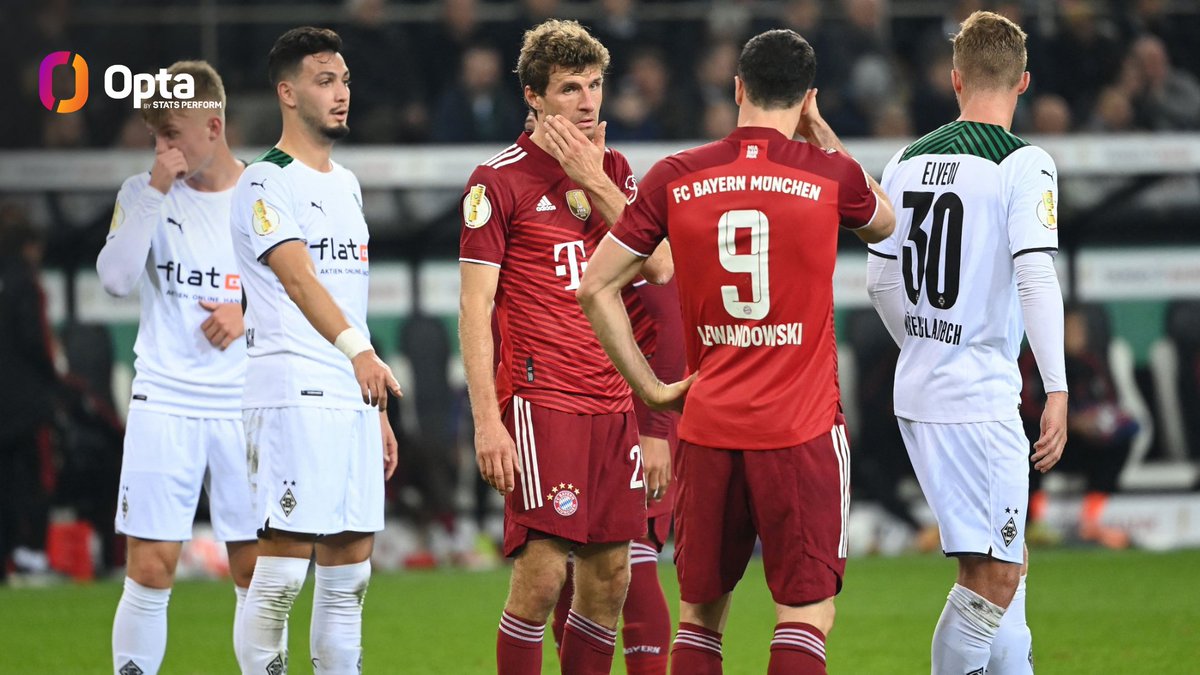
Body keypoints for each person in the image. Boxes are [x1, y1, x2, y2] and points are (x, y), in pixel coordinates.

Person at [578, 29, 895, 675]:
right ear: (808, 97)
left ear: (737, 88)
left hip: (708, 427)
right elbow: (886, 220)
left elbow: (595, 285)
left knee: (698, 617)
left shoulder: (677, 174)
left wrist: (650, 389)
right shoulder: (828, 173)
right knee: (806, 615)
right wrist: (823, 134)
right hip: (799, 430)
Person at [458, 19, 668, 675]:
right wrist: (488, 422)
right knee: (543, 576)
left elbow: (659, 268)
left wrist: (593, 177)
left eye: (596, 85)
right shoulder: (496, 181)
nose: (587, 101)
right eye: (570, 87)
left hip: (613, 403)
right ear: (532, 96)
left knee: (610, 583)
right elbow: (474, 305)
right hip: (540, 398)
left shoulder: (616, 172)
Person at [865, 11, 1068, 674]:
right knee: (993, 578)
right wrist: (1058, 387)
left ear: (955, 80)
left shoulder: (905, 159)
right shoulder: (1023, 163)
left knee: (1006, 566)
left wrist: (925, 343)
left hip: (921, 390)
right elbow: (1036, 273)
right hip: (978, 400)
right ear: (1024, 82)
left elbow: (880, 282)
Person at [230, 27, 400, 674]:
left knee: (349, 576)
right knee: (279, 576)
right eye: (325, 81)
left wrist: (375, 400)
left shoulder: (348, 182)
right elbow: (298, 277)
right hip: (291, 391)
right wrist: (360, 354)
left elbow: (346, 298)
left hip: (351, 394)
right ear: (287, 92)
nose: (341, 93)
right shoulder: (263, 181)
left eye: (346, 80)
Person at [95, 61, 255, 675]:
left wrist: (246, 313)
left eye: (173, 134)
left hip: (244, 404)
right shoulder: (142, 194)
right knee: (151, 565)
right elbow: (113, 280)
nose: (162, 148)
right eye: (154, 136)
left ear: (213, 126)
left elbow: (304, 295)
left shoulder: (264, 193)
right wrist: (157, 190)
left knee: (255, 570)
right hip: (164, 400)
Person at [551, 276, 685, 675]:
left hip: (638, 421)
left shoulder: (628, 222)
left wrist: (655, 430)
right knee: (564, 577)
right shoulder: (546, 227)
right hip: (570, 412)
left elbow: (671, 318)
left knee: (632, 569)